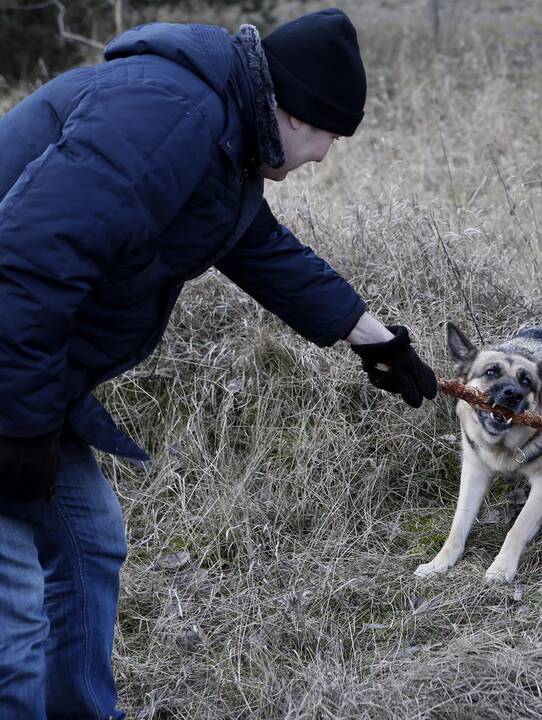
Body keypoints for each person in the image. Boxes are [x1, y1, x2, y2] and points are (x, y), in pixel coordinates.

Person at [0, 8, 437, 718]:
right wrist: (19, 428)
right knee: (12, 609)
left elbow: (260, 249)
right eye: (327, 134)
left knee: (88, 544)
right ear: (290, 112)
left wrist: (373, 338)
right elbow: (25, 264)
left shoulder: (221, 139)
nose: (325, 155)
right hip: (11, 361)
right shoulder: (164, 118)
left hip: (24, 369)